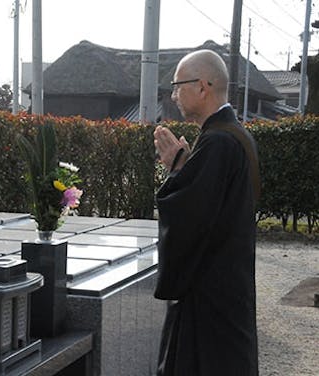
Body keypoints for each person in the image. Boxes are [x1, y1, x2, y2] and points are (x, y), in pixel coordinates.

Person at [153, 49, 260, 376]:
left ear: (202, 86)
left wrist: (176, 173)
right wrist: (186, 169)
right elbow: (212, 203)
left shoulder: (217, 142)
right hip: (229, 285)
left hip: (211, 293)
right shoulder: (234, 135)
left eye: (177, 86)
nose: (173, 96)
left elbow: (190, 218)